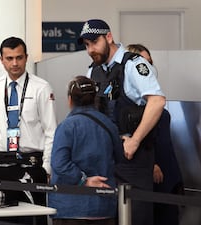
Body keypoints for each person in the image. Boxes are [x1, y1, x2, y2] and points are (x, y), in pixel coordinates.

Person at [78, 19, 166, 225]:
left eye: (94, 42)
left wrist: (135, 140)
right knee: (108, 218)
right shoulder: (94, 70)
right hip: (105, 160)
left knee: (136, 217)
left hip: (133, 160)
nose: (91, 49)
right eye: (86, 45)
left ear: (108, 37)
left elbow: (157, 101)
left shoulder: (134, 64)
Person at [0, 36, 57, 224]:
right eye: (9, 58)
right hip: (1, 165)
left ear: (26, 57)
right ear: (1, 60)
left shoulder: (41, 87)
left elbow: (51, 131)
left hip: (33, 164)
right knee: (2, 220)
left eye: (19, 57)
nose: (15, 63)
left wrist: (47, 166)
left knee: (34, 220)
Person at [48, 75, 120, 225]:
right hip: (103, 207)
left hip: (70, 209)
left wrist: (83, 181)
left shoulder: (67, 127)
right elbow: (120, 159)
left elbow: (59, 163)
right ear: (95, 99)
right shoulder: (109, 125)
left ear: (70, 99)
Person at [127, 43, 184, 225]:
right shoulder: (129, 107)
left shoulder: (153, 98)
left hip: (169, 176)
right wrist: (151, 163)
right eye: (143, 62)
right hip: (149, 177)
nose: (147, 67)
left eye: (149, 62)